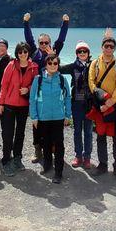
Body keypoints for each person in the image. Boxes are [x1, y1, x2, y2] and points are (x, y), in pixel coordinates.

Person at [23, 12, 70, 164]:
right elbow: (28, 38)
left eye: (46, 42)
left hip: (53, 93)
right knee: (37, 124)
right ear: (38, 44)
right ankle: (38, 152)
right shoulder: (34, 52)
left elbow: (61, 39)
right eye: (41, 43)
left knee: (53, 125)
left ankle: (53, 149)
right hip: (38, 92)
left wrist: (65, 23)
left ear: (50, 43)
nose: (44, 45)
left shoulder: (54, 53)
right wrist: (26, 23)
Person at [87, 29, 116, 181]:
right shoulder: (95, 63)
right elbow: (91, 81)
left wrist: (109, 102)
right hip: (99, 105)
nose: (108, 49)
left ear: (114, 49)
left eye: (111, 46)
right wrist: (100, 96)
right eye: (106, 46)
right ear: (102, 47)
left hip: (114, 106)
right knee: (101, 136)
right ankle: (102, 165)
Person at [0, 42, 39, 177]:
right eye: (20, 52)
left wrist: (27, 89)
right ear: (17, 53)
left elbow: (36, 85)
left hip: (23, 105)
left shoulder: (34, 67)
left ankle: (17, 158)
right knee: (8, 133)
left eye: (25, 52)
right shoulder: (11, 65)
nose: (23, 54)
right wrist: (1, 103)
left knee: (20, 133)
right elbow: (4, 85)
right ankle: (6, 160)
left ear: (28, 53)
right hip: (9, 104)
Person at [30, 54, 72, 184]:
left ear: (58, 65)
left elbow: (67, 98)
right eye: (50, 63)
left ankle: (58, 172)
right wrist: (34, 117)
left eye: (55, 63)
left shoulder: (62, 79)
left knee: (59, 145)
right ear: (46, 65)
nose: (53, 65)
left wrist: (67, 115)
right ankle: (47, 165)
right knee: (46, 143)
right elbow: (33, 99)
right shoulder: (38, 79)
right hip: (43, 117)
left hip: (58, 117)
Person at [59, 41, 94, 169]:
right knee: (77, 131)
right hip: (77, 104)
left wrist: (106, 40)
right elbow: (58, 68)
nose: (82, 53)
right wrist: (53, 54)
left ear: (88, 53)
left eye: (85, 51)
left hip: (89, 104)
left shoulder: (94, 65)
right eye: (80, 51)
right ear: (77, 54)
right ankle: (78, 156)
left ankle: (87, 157)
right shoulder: (73, 66)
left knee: (89, 132)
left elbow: (105, 61)